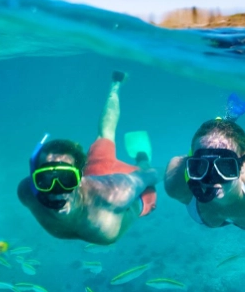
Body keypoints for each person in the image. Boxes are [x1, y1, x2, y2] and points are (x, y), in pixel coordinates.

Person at [17, 71, 158, 245]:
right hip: (97, 175)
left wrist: (145, 167)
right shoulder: (26, 192)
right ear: (34, 179)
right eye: (45, 180)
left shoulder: (116, 194)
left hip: (129, 195)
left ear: (79, 176)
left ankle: (141, 155)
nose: (57, 190)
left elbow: (153, 175)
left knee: (111, 141)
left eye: (66, 179)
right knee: (103, 137)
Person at [164, 115, 245, 230]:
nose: (212, 179)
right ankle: (224, 123)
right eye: (200, 165)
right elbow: (181, 160)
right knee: (208, 149)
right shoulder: (176, 184)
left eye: (226, 166)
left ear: (243, 165)